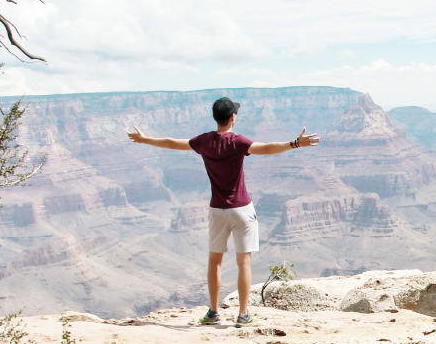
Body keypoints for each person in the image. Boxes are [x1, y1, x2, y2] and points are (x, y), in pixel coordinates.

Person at [127, 96, 319, 325]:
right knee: (243, 262)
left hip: (217, 209)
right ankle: (243, 314)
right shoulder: (238, 142)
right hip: (241, 209)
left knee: (214, 262)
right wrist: (295, 143)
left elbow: (171, 143)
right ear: (232, 117)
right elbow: (267, 149)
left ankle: (213, 312)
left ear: (214, 117)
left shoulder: (204, 141)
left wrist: (143, 139)